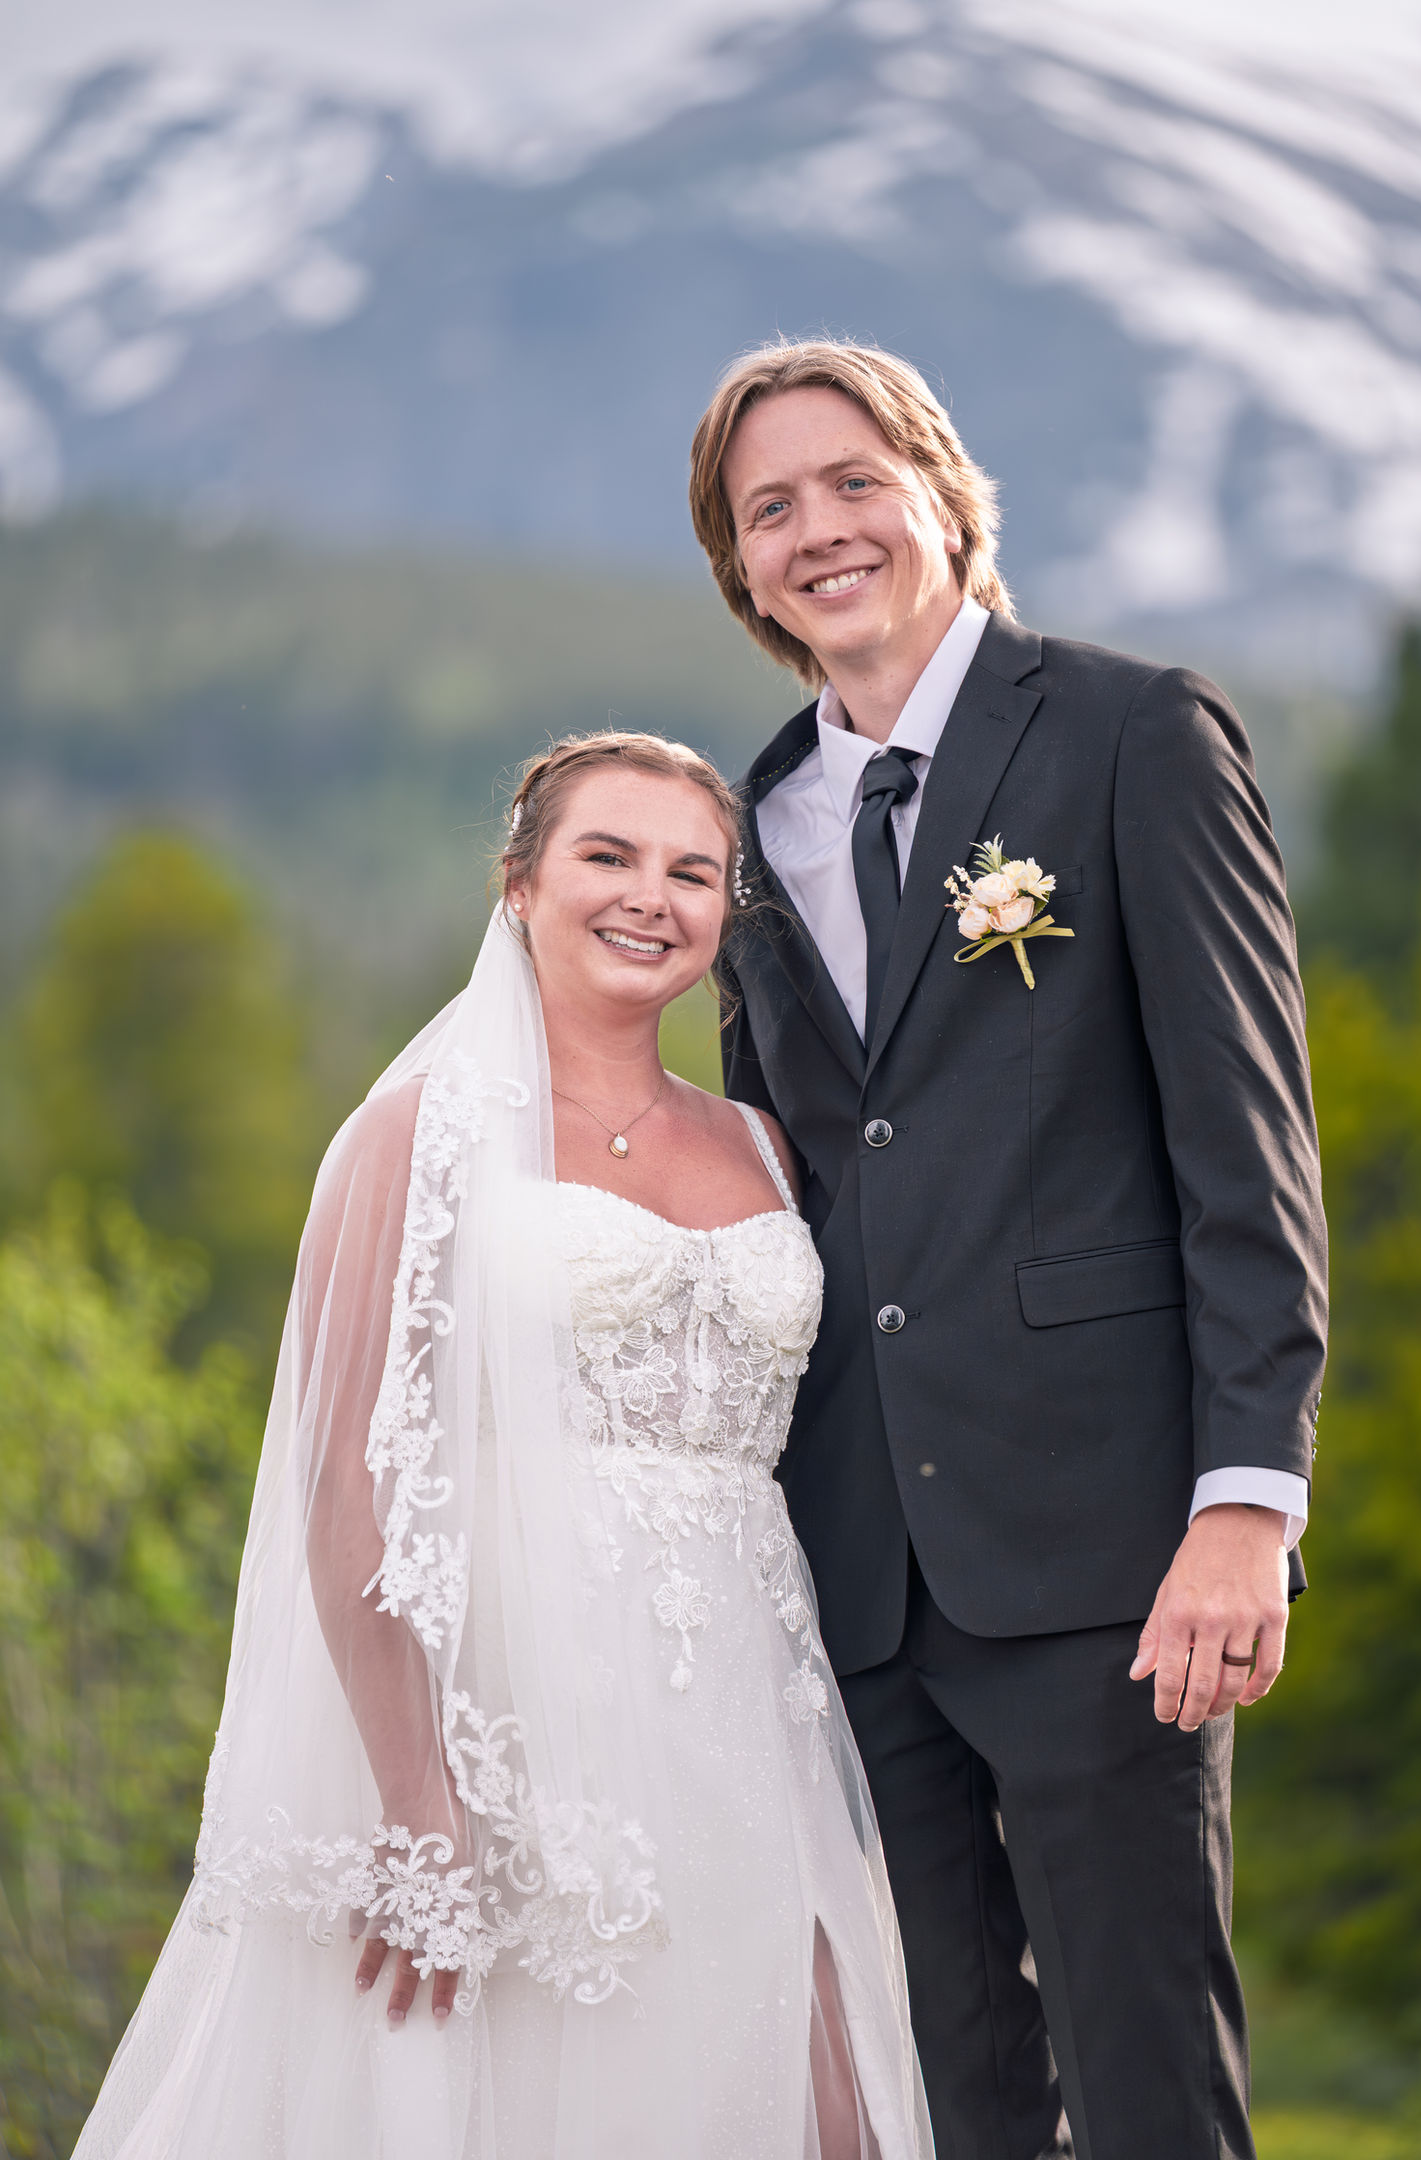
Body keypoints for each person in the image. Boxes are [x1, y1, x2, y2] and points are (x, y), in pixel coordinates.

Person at [73, 733, 935, 2160]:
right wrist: (420, 1795)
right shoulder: (415, 1137)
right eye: (608, 856)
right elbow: (349, 1481)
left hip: (747, 1705)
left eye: (693, 871)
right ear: (522, 883)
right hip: (509, 1704)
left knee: (806, 2093)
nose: (650, 897)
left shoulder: (769, 1149)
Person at [690, 340, 1327, 2160]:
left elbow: (1246, 1146)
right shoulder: (756, 824)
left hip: (1106, 1553)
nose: (819, 532)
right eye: (770, 511)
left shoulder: (1136, 731)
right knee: (946, 2097)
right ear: (743, 573)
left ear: (946, 496)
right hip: (860, 1572)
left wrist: (1243, 1503)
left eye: (852, 482)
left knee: (1143, 2089)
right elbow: (790, 1196)